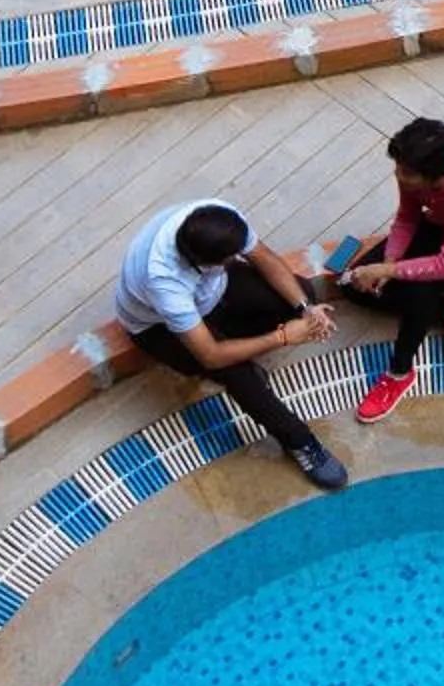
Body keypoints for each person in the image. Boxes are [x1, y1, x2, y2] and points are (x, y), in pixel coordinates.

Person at [114, 199, 348, 490]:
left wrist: (305, 309)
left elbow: (265, 259)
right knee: (236, 373)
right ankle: (300, 442)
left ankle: (233, 338)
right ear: (208, 262)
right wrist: (282, 337)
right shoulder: (164, 281)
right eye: (232, 257)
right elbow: (211, 355)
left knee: (299, 292)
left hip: (210, 296)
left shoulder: (218, 217)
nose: (239, 256)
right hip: (158, 327)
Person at [340, 117, 444, 423]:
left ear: (433, 177)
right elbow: (407, 219)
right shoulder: (411, 174)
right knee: (351, 283)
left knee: (422, 286)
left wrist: (388, 272)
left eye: (404, 172)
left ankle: (399, 373)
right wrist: (389, 263)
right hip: (438, 230)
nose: (397, 175)